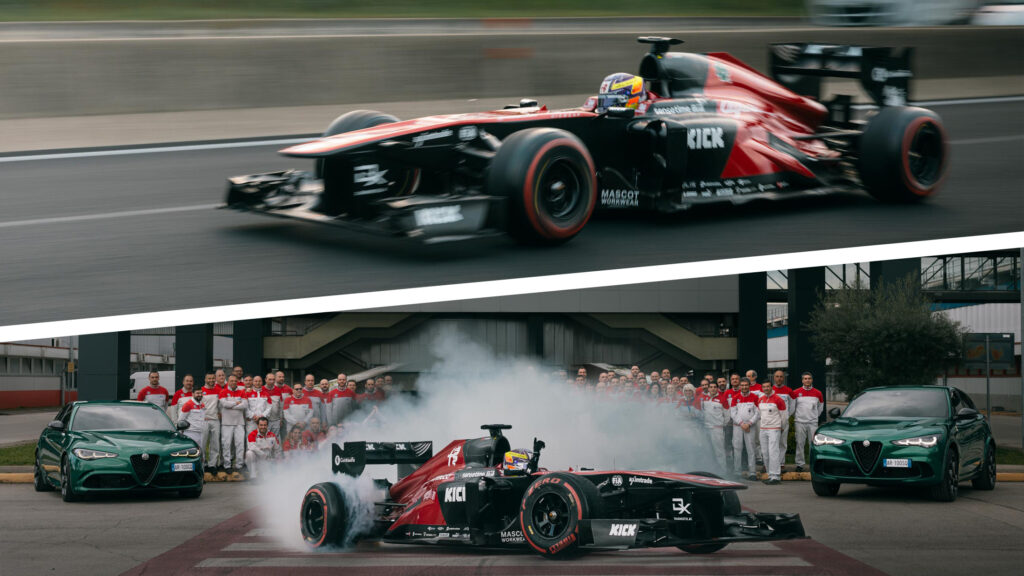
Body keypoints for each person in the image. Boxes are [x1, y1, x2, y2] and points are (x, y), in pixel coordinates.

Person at [757, 380, 787, 484]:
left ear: (771, 387)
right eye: (764, 387)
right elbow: (759, 414)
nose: (766, 388)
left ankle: (776, 476)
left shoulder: (778, 399)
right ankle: (770, 475)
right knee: (765, 453)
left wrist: (781, 427)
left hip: (774, 429)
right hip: (763, 429)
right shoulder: (760, 400)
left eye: (768, 386)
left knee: (773, 452)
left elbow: (784, 416)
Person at [792, 372, 824, 473]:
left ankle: (812, 464)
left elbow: (820, 408)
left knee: (813, 444)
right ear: (802, 380)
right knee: (800, 443)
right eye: (805, 379)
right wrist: (797, 417)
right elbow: (793, 408)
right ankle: (800, 464)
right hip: (799, 422)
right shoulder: (796, 392)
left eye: (809, 378)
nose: (807, 380)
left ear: (812, 380)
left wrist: (813, 417)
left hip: (812, 423)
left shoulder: (818, 393)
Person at [219, 374, 248, 481]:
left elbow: (245, 405)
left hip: (239, 422)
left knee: (240, 444)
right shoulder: (223, 391)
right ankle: (227, 465)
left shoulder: (242, 391)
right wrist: (236, 403)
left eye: (235, 381)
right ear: (228, 381)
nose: (233, 383)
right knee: (226, 444)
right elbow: (224, 404)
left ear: (237, 382)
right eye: (231, 381)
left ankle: (239, 465)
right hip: (226, 423)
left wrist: (231, 404)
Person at [730, 378, 760, 481]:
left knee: (751, 449)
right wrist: (742, 424)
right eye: (742, 385)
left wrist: (749, 423)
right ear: (740, 386)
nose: (744, 387)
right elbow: (733, 413)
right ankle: (737, 472)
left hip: (750, 427)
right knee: (737, 448)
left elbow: (757, 413)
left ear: (749, 386)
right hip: (738, 427)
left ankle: (752, 472)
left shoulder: (755, 397)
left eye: (746, 385)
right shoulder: (735, 398)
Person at [701, 380, 730, 471]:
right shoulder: (704, 398)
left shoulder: (723, 399)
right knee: (707, 450)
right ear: (708, 388)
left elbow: (727, 415)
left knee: (719, 451)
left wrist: (721, 424)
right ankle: (709, 470)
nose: (713, 389)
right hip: (706, 428)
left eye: (714, 387)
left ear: (717, 388)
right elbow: (702, 412)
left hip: (717, 429)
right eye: (711, 387)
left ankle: (723, 471)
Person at [199, 372, 222, 479]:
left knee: (215, 443)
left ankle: (212, 465)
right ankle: (203, 464)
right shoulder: (201, 391)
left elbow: (220, 405)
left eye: (213, 378)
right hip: (204, 420)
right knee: (203, 443)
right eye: (209, 378)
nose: (212, 380)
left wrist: (220, 413)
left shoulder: (218, 390)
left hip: (215, 420)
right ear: (205, 379)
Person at [772, 369, 795, 470]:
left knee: (782, 442)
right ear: (774, 378)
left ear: (784, 378)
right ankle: (769, 463)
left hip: (784, 421)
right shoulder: (770, 389)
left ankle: (781, 463)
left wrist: (787, 416)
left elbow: (793, 405)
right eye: (777, 376)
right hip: (772, 421)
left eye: (781, 376)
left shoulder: (789, 391)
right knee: (772, 443)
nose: (779, 378)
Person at [177, 387, 206, 464]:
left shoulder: (202, 405)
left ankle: (201, 469)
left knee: (201, 453)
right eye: (197, 393)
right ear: (193, 394)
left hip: (201, 432)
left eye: (200, 393)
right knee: (191, 453)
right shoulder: (187, 404)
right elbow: (180, 420)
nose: (199, 395)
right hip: (191, 433)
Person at [265, 372, 284, 437]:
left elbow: (281, 406)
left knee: (275, 439)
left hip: (276, 420)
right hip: (265, 421)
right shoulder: (261, 389)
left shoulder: (278, 390)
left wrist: (281, 419)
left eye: (273, 379)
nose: (272, 381)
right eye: (270, 379)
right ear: (266, 380)